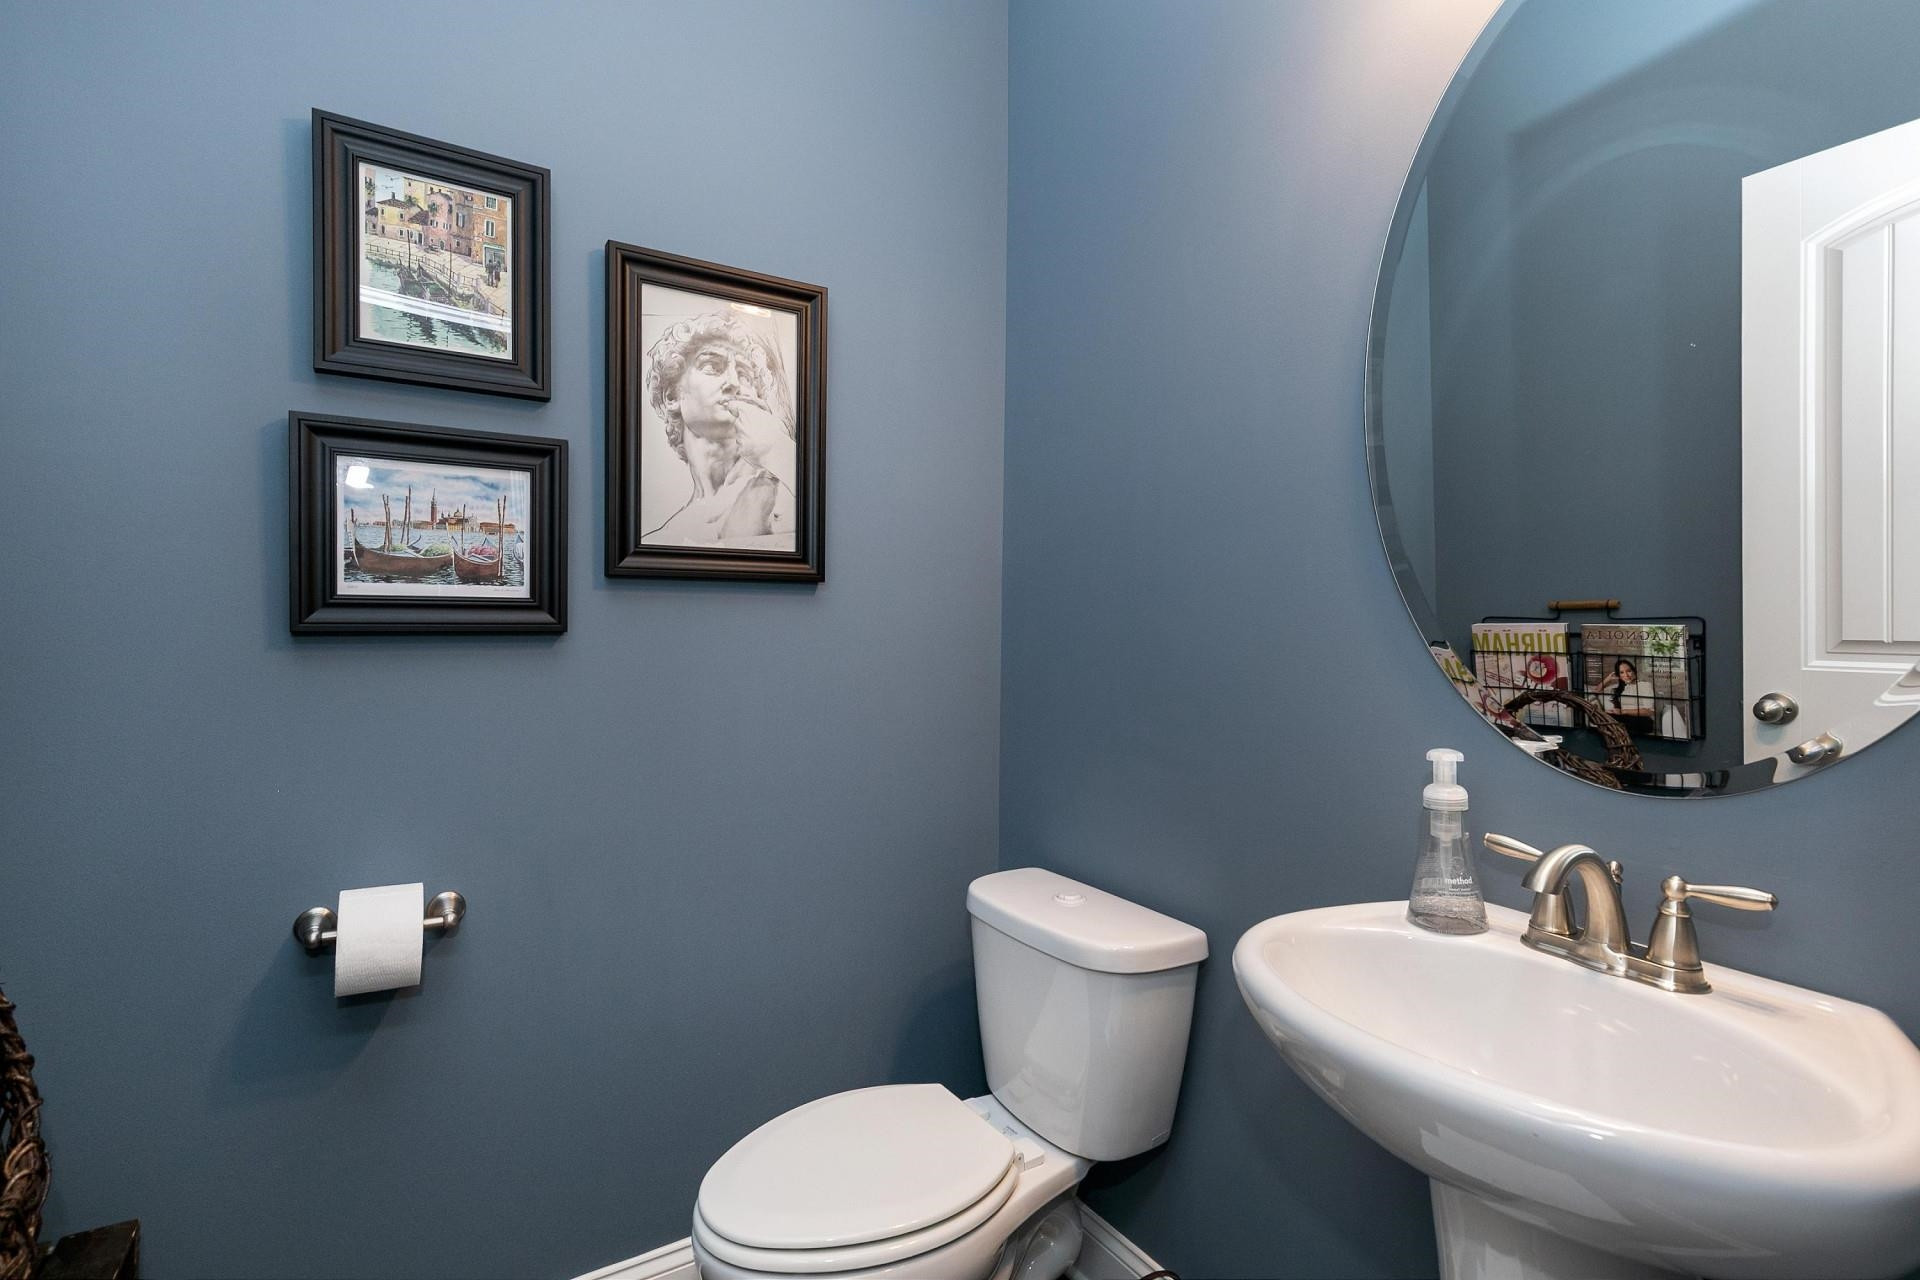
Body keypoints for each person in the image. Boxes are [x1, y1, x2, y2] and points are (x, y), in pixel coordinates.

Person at [643, 312, 797, 550]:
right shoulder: (663, 537)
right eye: (712, 366)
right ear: (672, 395)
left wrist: (776, 450)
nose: (734, 382)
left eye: (745, 374)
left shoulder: (784, 491)